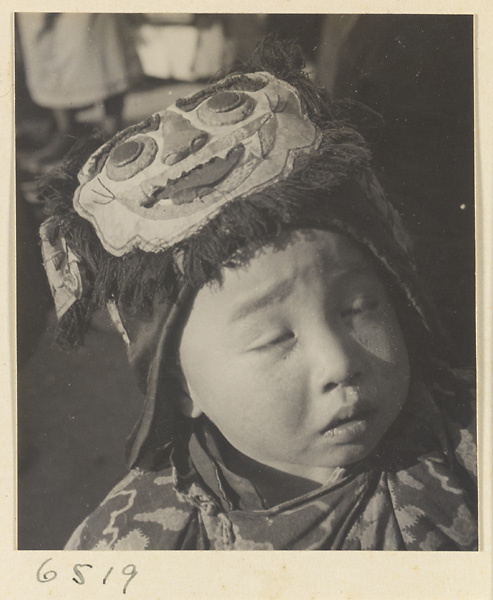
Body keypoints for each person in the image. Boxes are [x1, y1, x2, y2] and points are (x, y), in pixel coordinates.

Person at [38, 40, 477, 550]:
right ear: (179, 387)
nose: (338, 363)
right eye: (273, 338)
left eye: (359, 307)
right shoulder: (129, 550)